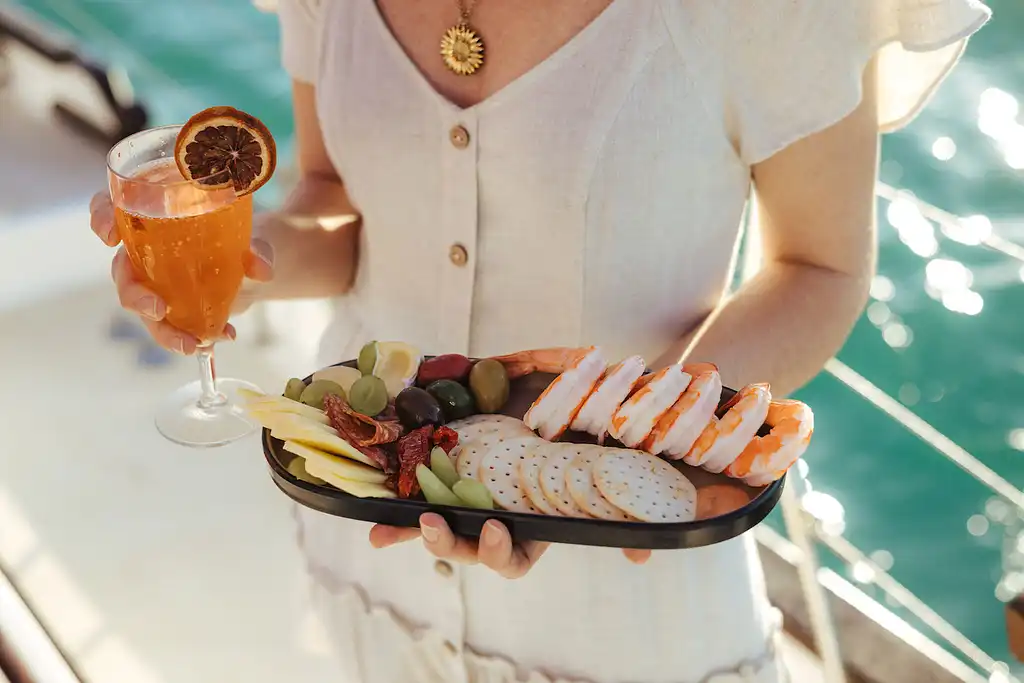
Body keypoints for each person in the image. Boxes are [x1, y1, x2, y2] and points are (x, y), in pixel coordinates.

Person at [90, 0, 992, 680]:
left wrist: (621, 454)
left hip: (630, 603)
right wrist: (236, 262)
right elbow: (334, 196)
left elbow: (819, 267)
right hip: (368, 533)